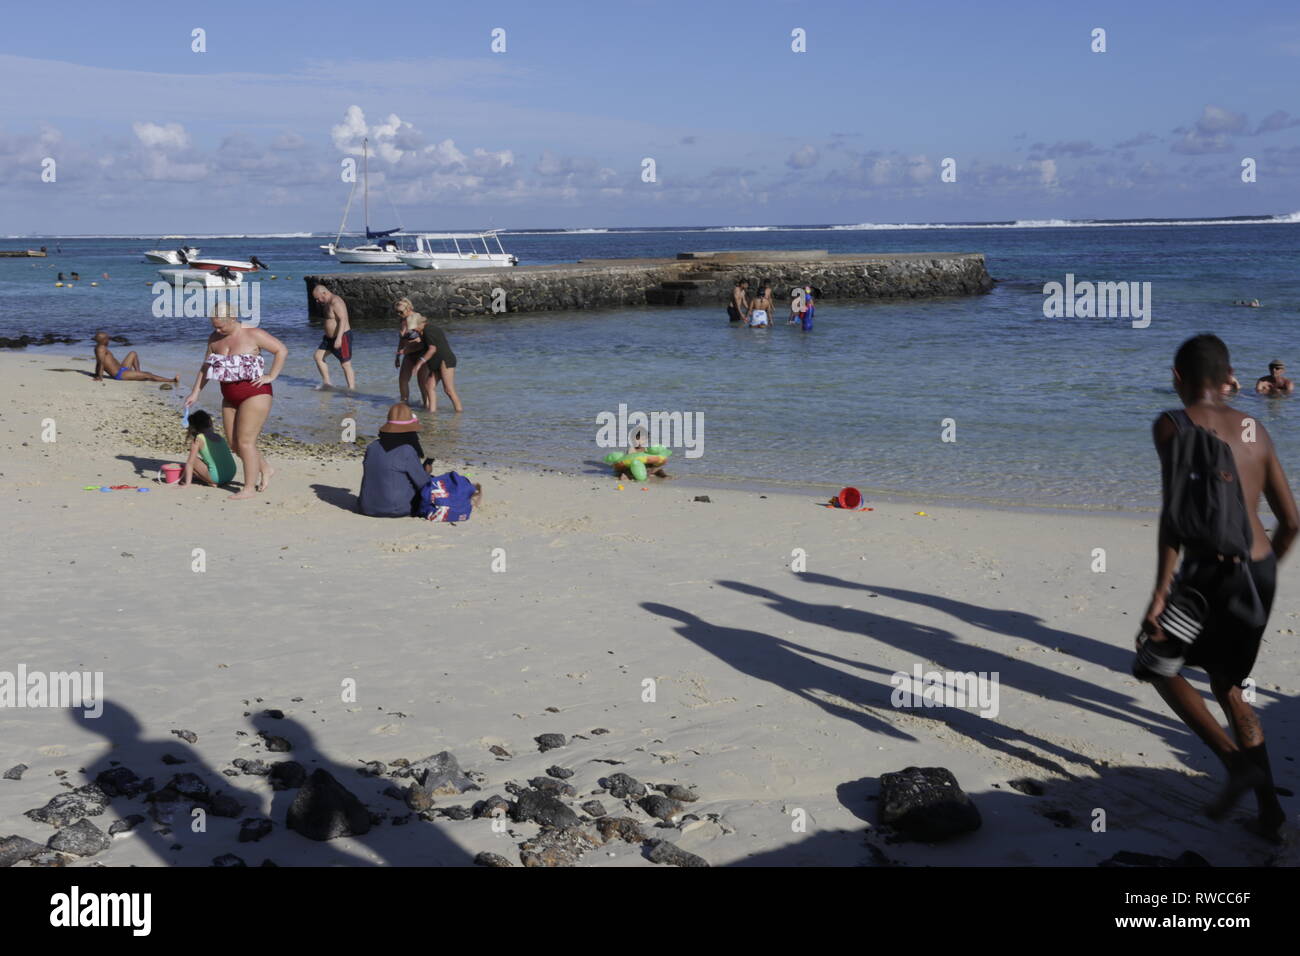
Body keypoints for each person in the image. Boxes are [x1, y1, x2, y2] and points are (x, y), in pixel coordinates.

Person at [1139, 334, 1298, 840]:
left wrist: (1163, 589)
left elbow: (1175, 513)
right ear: (1228, 378)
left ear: (1178, 377)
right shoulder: (1256, 430)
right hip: (1259, 571)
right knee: (1229, 687)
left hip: (1208, 577)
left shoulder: (1173, 424)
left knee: (1156, 663)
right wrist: (1263, 570)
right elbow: (1292, 522)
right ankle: (1270, 814)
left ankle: (1235, 764)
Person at [184, 305, 288, 500]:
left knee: (246, 442)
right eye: (214, 326)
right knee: (234, 444)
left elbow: (281, 350)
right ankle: (265, 468)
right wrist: (195, 392)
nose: (217, 331)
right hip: (229, 396)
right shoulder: (214, 339)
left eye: (221, 327)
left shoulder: (253, 333)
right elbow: (206, 367)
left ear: (233, 317)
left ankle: (248, 488)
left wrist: (271, 375)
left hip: (256, 393)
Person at [358, 404, 434, 517]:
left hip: (366, 507)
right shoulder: (407, 450)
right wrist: (427, 472)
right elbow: (423, 484)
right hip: (396, 509)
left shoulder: (372, 446)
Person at [311, 284, 356, 390]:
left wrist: (339, 338)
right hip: (328, 338)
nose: (317, 301)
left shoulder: (336, 302)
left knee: (345, 364)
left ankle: (351, 389)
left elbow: (343, 320)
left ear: (324, 293)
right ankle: (327, 383)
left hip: (342, 337)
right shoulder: (326, 303)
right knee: (318, 357)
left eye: (318, 298)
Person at [413, 319, 463, 412]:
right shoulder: (425, 331)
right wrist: (403, 351)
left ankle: (459, 413)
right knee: (428, 386)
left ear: (419, 323)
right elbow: (423, 346)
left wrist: (419, 364)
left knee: (448, 390)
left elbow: (432, 349)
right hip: (436, 362)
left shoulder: (429, 330)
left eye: (414, 328)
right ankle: (432, 413)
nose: (413, 330)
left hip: (445, 360)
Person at [179, 409, 238, 487]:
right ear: (210, 422)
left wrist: (185, 482)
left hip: (217, 477)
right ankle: (214, 480)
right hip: (231, 474)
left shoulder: (198, 439)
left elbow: (190, 463)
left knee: (194, 460)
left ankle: (213, 482)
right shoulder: (219, 437)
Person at [92, 331, 177, 383]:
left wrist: (95, 374)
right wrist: (99, 377)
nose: (109, 340)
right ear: (103, 340)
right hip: (120, 374)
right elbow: (101, 363)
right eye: (107, 339)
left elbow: (98, 362)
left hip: (122, 369)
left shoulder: (101, 347)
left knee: (133, 353)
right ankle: (172, 380)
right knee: (148, 375)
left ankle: (138, 373)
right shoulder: (101, 349)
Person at [393, 298, 429, 405]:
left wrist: (412, 342)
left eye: (401, 312)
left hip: (421, 353)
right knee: (402, 380)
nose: (399, 314)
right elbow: (402, 340)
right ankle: (405, 404)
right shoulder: (402, 321)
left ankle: (427, 407)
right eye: (396, 312)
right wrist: (397, 356)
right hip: (408, 354)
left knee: (422, 383)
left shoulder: (417, 318)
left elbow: (425, 336)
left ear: (408, 308)